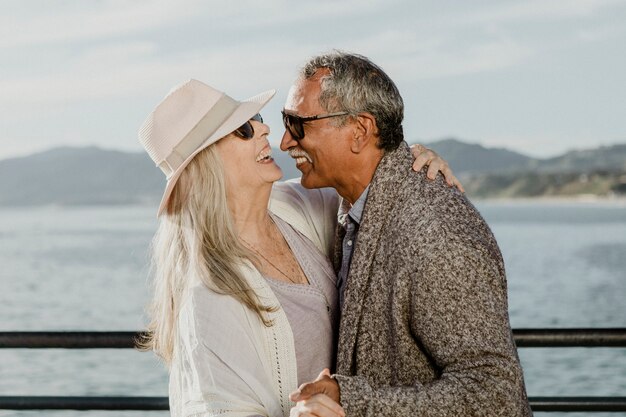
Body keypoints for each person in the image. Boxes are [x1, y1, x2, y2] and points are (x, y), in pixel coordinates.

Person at [137, 79, 460, 417]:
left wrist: (412, 161)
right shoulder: (208, 299)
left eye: (258, 118)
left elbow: (367, 179)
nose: (264, 131)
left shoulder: (296, 206)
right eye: (243, 130)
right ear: (206, 165)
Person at [282, 52, 533, 417]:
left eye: (298, 124)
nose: (287, 141)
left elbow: (496, 394)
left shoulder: (435, 233)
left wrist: (353, 403)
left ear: (360, 131)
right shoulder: (358, 207)